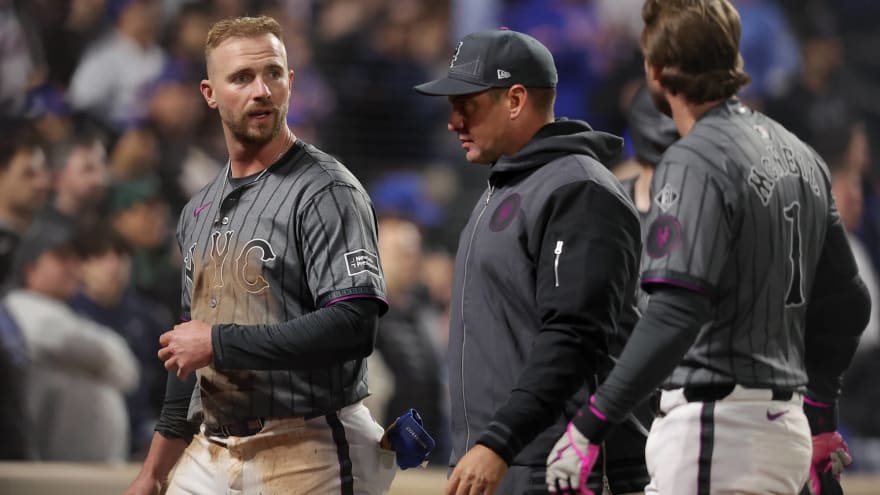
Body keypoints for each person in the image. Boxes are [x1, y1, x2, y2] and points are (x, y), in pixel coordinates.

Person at [545, 1, 871, 494]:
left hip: (716, 430)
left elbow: (674, 313)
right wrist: (821, 416)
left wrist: (592, 423)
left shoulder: (692, 157)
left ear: (655, 72)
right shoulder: (799, 152)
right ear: (733, 62)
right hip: (785, 430)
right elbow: (849, 303)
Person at [124, 16, 396, 495]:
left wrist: (220, 342)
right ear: (209, 93)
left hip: (307, 442)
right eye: (242, 78)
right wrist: (153, 471)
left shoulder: (328, 190)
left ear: (291, 82)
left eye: (273, 73)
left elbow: (355, 325)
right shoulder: (197, 209)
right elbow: (188, 354)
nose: (262, 90)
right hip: (211, 445)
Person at [414, 29, 646, 495]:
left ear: (516, 99)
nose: (453, 121)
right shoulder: (508, 187)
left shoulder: (579, 190)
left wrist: (499, 442)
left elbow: (575, 337)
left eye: (467, 105)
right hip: (504, 464)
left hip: (556, 469)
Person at [5, 220, 139, 462]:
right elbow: (93, 350)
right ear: (30, 269)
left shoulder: (64, 313)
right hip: (49, 466)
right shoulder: (20, 307)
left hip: (81, 466)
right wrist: (108, 354)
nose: (73, 267)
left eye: (74, 259)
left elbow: (128, 371)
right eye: (60, 258)